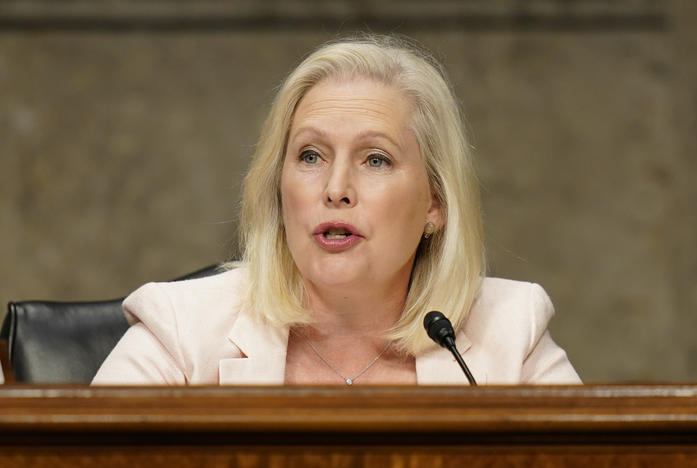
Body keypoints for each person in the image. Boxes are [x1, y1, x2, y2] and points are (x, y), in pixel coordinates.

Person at [92, 34, 580, 386]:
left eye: (375, 159)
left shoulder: (510, 335)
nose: (336, 189)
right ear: (278, 188)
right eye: (310, 156)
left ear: (436, 202)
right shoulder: (180, 333)